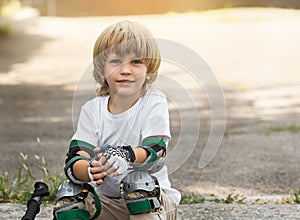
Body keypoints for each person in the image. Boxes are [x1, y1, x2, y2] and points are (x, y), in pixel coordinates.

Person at [53, 20, 181, 220]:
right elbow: (74, 159)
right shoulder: (92, 110)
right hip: (109, 203)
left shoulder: (153, 102)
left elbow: (156, 149)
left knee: (137, 183)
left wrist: (125, 154)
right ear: (102, 68)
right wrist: (89, 169)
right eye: (115, 61)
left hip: (155, 202)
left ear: (149, 68)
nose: (126, 70)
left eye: (136, 62)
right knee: (71, 195)